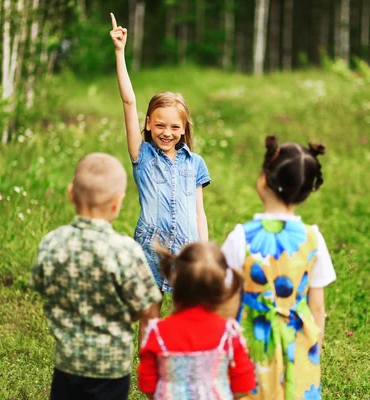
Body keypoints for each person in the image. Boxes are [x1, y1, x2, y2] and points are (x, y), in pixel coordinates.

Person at [109, 13, 211, 346]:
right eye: (160, 125)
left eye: (175, 127)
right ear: (149, 125)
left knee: (187, 314)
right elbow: (128, 100)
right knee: (150, 315)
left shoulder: (194, 163)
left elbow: (199, 212)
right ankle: (147, 370)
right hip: (150, 250)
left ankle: (182, 367)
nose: (167, 132)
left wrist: (204, 251)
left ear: (184, 129)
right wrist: (120, 53)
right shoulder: (143, 156)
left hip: (186, 250)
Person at [29, 153, 162, 400]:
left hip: (67, 363)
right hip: (111, 368)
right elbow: (148, 308)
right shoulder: (125, 250)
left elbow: (40, 285)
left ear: (71, 194)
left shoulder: (52, 243)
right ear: (117, 203)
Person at [221, 136, 336, 400]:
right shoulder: (313, 238)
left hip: (253, 340)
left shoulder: (241, 237)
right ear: (307, 191)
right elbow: (317, 305)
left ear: (263, 179)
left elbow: (227, 300)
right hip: (299, 341)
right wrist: (314, 345)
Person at [137, 242, 256, 399]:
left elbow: (147, 385)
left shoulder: (158, 333)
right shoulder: (229, 333)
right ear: (222, 288)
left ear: (176, 281)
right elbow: (245, 385)